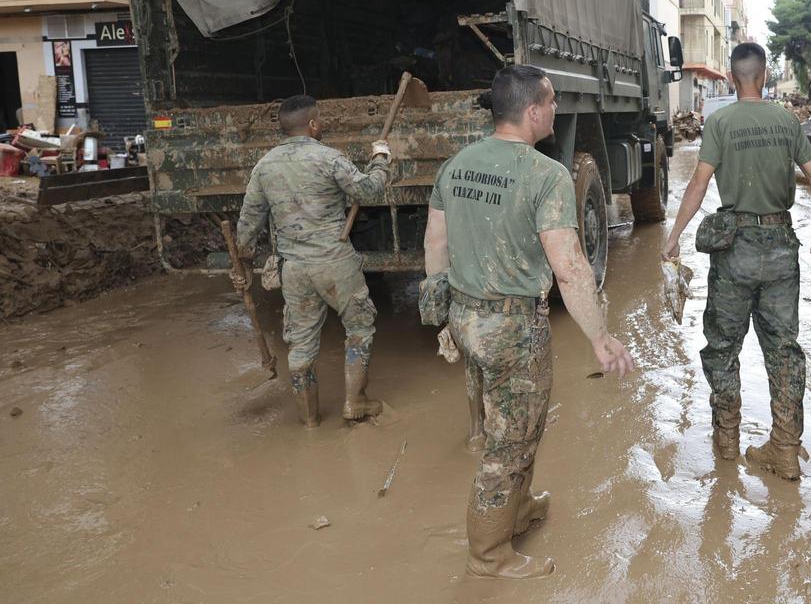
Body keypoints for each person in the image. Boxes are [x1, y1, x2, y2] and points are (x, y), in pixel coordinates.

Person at [422, 65, 634, 580]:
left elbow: (435, 243)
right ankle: (488, 555)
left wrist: (444, 314)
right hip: (513, 328)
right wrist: (600, 338)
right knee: (509, 441)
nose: (556, 109)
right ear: (533, 110)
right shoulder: (546, 175)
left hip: (468, 318)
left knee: (517, 422)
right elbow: (570, 267)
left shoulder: (457, 164)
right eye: (554, 101)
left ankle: (519, 509)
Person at [662, 42, 811, 481]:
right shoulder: (786, 120)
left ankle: (726, 443)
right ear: (764, 75)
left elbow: (698, 185)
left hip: (735, 250)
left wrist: (674, 235)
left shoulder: (719, 122)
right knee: (784, 350)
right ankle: (786, 450)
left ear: (734, 78)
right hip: (780, 246)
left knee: (723, 345)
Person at [233, 94, 391, 428]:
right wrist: (380, 159)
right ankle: (356, 402)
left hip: (294, 268)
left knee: (301, 343)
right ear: (313, 124)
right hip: (335, 263)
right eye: (320, 120)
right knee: (360, 328)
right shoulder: (329, 158)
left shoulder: (265, 166)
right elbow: (369, 192)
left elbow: (248, 222)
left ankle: (309, 421)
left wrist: (244, 264)